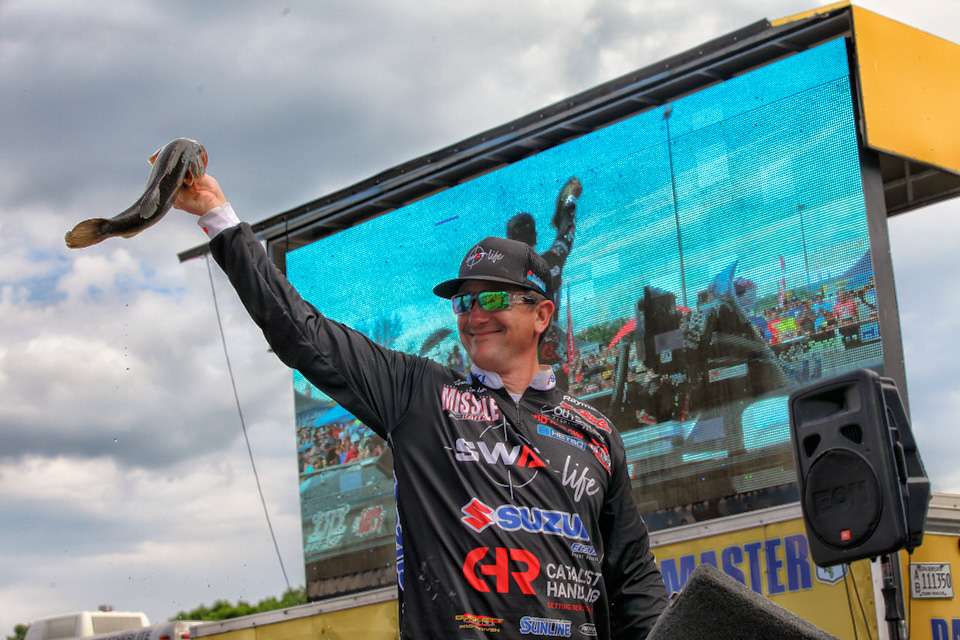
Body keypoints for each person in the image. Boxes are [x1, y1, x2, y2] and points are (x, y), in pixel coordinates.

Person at [175, 175, 667, 640]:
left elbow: (633, 580)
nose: (475, 315)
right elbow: (303, 333)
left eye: (493, 298)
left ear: (541, 314)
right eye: (464, 303)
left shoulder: (595, 432)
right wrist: (218, 216)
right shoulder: (420, 393)